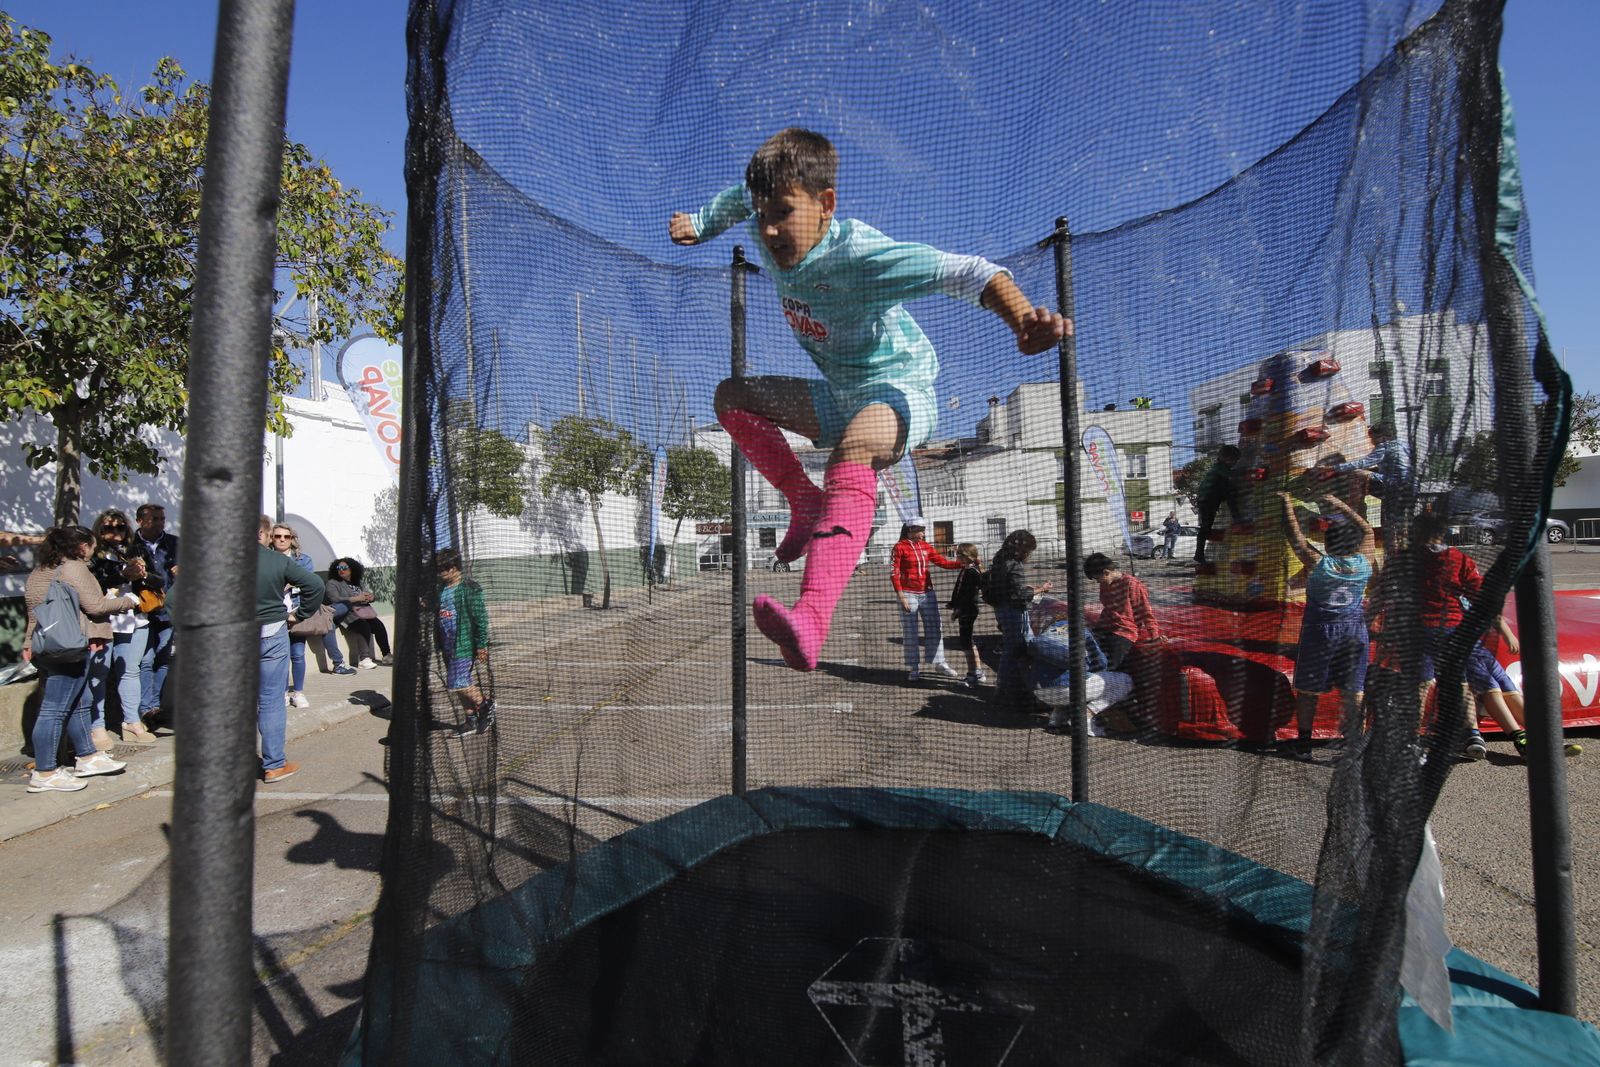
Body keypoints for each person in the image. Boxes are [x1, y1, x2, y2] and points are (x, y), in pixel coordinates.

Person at [670, 128, 1067, 671]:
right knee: (730, 397)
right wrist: (699, 223)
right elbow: (736, 199)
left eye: (783, 213)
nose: (768, 230)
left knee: (855, 448)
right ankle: (803, 500)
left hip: (898, 388)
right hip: (838, 393)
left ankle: (811, 617)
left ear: (826, 205)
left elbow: (969, 271)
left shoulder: (861, 255)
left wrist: (1023, 318)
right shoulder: (761, 216)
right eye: (763, 214)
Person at [21, 526, 136, 792]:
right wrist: (128, 601)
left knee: (80, 701)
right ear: (82, 546)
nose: (92, 552)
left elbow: (34, 611)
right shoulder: (73, 568)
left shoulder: (40, 570)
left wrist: (29, 642)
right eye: (92, 546)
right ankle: (46, 772)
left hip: (46, 645)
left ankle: (87, 756)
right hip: (70, 646)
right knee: (54, 709)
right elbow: (96, 605)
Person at [1277, 493, 1375, 756]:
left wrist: (1287, 502)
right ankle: (1355, 743)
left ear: (1328, 545)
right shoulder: (1364, 564)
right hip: (1354, 631)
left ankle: (1304, 743)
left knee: (1308, 690)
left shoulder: (1320, 564)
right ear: (1355, 545)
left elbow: (1294, 536)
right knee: (1353, 688)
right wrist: (1342, 505)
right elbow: (1367, 529)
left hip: (1321, 632)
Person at [255, 516, 324, 783]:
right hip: (271, 633)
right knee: (271, 700)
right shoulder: (277, 561)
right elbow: (315, 585)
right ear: (266, 534)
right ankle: (273, 765)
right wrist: (299, 614)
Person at [86, 509, 159, 748]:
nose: (114, 532)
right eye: (108, 528)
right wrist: (121, 574)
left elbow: (159, 580)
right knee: (99, 673)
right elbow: (93, 582)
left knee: (131, 670)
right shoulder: (93, 554)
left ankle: (131, 722)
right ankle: (97, 726)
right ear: (100, 530)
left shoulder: (135, 550)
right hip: (104, 618)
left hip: (134, 617)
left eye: (120, 527)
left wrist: (143, 575)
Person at [1465, 619, 1582, 759]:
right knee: (1491, 687)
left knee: (1508, 688)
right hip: (1457, 645)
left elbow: (1491, 608)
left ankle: (1544, 738)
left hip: (1476, 646)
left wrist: (1508, 635)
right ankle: (1520, 739)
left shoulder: (1471, 597)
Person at [984, 530, 1052, 710]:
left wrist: (1024, 588)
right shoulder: (1014, 565)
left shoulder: (999, 560)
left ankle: (1008, 691)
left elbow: (1010, 588)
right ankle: (1019, 693)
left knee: (1013, 650)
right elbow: (1019, 595)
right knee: (1019, 650)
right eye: (1028, 551)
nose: (1029, 554)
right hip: (1014, 612)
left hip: (1002, 609)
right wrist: (1040, 589)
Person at [890, 517, 962, 682]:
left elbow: (943, 562)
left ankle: (939, 662)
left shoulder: (926, 546)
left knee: (936, 627)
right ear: (910, 530)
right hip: (908, 594)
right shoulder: (899, 547)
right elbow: (894, 574)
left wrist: (963, 564)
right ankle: (914, 667)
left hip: (928, 594)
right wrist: (901, 597)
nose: (923, 534)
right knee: (910, 632)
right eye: (920, 530)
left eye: (923, 531)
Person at [1317, 422, 1413, 546]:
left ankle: (1353, 509)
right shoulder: (1403, 444)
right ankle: (1400, 541)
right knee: (1397, 520)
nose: (1372, 442)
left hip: (1394, 486)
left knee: (1358, 473)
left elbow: (1362, 463)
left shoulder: (1384, 447)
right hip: (1409, 487)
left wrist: (1332, 468)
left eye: (1372, 438)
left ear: (1382, 437)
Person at [435, 548, 493, 737]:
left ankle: (486, 705)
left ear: (453, 568)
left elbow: (480, 618)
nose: (440, 574)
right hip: (448, 644)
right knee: (462, 684)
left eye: (443, 569)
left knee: (457, 683)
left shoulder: (469, 588)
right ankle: (471, 720)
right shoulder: (442, 589)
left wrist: (481, 644)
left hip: (464, 644)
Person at [133, 502, 178, 723]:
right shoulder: (131, 544)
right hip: (141, 610)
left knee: (162, 658)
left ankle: (156, 706)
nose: (160, 523)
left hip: (167, 610)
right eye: (155, 519)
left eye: (162, 519)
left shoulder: (173, 543)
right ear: (140, 521)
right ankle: (146, 707)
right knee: (146, 659)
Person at [1083, 552, 1164, 672]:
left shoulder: (1132, 585)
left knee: (1109, 667)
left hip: (1123, 632)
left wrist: (1154, 635)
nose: (1098, 583)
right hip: (1104, 628)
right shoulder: (1106, 583)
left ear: (1106, 572)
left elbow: (1145, 611)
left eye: (1097, 579)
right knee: (1089, 657)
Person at [271, 523, 318, 707]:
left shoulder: (302, 560)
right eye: (277, 536)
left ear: (292, 539)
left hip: (296, 612)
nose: (282, 539)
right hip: (274, 613)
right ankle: (281, 693)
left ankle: (298, 693)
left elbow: (310, 584)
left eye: (286, 537)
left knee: (297, 654)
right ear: (272, 538)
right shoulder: (267, 559)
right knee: (279, 657)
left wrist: (286, 582)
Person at [325, 557, 392, 668]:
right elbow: (335, 599)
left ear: (352, 569)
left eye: (345, 567)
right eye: (339, 567)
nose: (341, 570)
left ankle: (386, 655)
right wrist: (356, 598)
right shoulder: (333, 583)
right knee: (363, 626)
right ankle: (364, 659)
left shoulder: (357, 582)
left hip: (363, 611)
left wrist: (371, 597)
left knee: (379, 625)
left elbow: (366, 594)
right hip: (345, 615)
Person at [946, 542, 987, 688]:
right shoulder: (966, 570)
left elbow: (968, 595)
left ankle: (972, 675)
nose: (956, 556)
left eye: (959, 554)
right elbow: (959, 590)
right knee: (969, 641)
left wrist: (959, 610)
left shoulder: (972, 572)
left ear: (966, 556)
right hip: (966, 609)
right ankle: (978, 672)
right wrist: (953, 603)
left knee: (966, 643)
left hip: (968, 611)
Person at [1193, 445, 1243, 564]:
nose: (1234, 463)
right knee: (1205, 527)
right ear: (1225, 458)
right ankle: (1199, 554)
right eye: (1233, 460)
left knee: (1206, 527)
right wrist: (1244, 472)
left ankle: (1199, 554)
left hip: (1208, 499)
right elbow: (1231, 475)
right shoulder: (1219, 468)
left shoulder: (1218, 468)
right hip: (1208, 499)